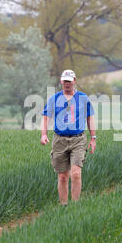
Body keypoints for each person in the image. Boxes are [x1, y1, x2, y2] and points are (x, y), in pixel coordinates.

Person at [41, 70, 96, 206]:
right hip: (59, 140)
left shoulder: (83, 98)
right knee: (63, 176)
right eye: (65, 81)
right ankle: (64, 206)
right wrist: (43, 134)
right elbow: (46, 117)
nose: (67, 84)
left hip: (78, 139)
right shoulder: (54, 99)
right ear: (61, 82)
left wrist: (93, 137)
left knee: (76, 173)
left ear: (74, 81)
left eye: (69, 81)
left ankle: (75, 206)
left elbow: (90, 117)